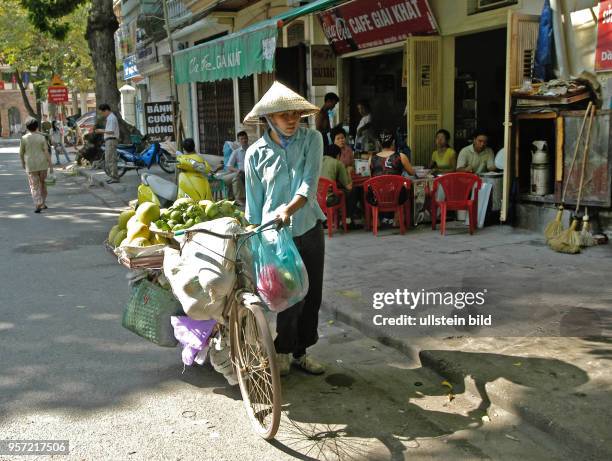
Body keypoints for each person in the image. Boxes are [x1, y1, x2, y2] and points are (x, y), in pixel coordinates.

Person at [243, 81, 326, 377]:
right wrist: (253, 240)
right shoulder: (255, 153)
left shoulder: (312, 139)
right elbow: (253, 205)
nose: (291, 120)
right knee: (289, 297)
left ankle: (302, 351)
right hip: (273, 236)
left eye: (295, 114)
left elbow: (308, 185)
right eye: (283, 115)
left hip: (308, 228)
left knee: (312, 295)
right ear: (269, 118)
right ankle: (282, 350)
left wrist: (288, 210)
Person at [19, 118, 52, 213]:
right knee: (43, 184)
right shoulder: (42, 137)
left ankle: (38, 203)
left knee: (34, 186)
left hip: (31, 165)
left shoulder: (24, 138)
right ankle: (43, 203)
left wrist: (22, 163)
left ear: (27, 128)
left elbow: (21, 153)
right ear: (37, 127)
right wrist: (51, 165)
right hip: (42, 164)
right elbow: (46, 152)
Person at [321, 144, 357, 226]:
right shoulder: (337, 163)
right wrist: (348, 172)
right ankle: (348, 219)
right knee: (352, 191)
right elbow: (349, 186)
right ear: (338, 155)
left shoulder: (317, 161)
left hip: (314, 199)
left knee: (338, 190)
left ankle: (326, 219)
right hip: (329, 199)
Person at [219, 131, 248, 205]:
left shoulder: (252, 149)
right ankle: (239, 199)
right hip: (241, 173)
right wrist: (237, 170)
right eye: (241, 139)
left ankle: (238, 199)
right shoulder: (236, 152)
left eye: (245, 138)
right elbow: (229, 166)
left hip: (250, 173)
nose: (244, 140)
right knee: (237, 176)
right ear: (238, 141)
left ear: (247, 138)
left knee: (236, 177)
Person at [95, 103, 120, 184]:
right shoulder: (110, 118)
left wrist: (100, 130)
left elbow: (111, 131)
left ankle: (115, 177)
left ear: (106, 110)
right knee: (108, 159)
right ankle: (112, 176)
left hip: (111, 140)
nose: (102, 114)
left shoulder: (111, 118)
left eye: (102, 112)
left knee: (111, 159)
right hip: (109, 140)